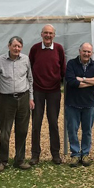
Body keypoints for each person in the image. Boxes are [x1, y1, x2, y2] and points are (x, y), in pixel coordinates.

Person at [0, 36, 35, 172]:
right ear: (9, 46)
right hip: (6, 100)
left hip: (23, 97)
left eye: (19, 46)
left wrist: (31, 98)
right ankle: (2, 161)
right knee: (5, 131)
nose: (17, 49)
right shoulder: (0, 61)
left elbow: (30, 80)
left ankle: (20, 160)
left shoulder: (26, 59)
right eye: (14, 46)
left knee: (22, 130)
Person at [28, 24, 66, 166]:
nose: (48, 35)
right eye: (45, 33)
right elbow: (29, 67)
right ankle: (35, 154)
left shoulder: (59, 49)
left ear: (54, 35)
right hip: (38, 91)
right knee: (36, 124)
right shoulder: (35, 49)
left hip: (54, 91)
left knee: (53, 123)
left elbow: (63, 68)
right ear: (41, 34)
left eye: (50, 33)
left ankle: (55, 154)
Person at [65, 42, 94, 167]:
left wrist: (82, 79)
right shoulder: (71, 64)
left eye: (89, 52)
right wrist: (92, 81)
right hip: (73, 104)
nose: (86, 54)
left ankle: (85, 154)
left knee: (87, 131)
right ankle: (75, 154)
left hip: (89, 104)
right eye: (84, 51)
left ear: (91, 53)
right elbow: (71, 81)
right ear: (79, 51)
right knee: (72, 130)